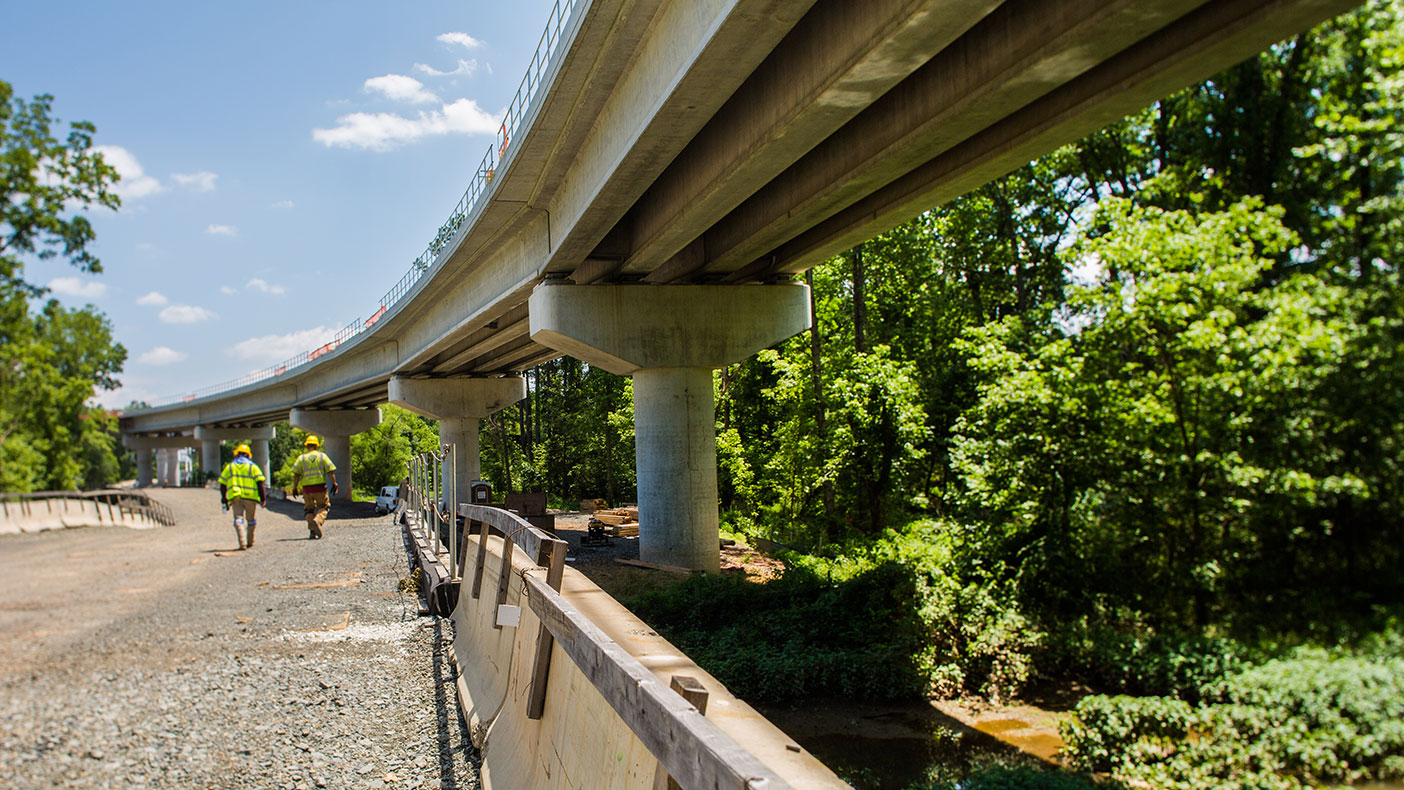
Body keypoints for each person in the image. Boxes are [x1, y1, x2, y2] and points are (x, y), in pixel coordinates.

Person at [218, 443, 267, 549]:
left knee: (238, 519)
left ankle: (242, 542)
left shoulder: (230, 467)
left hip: (236, 497)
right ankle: (250, 541)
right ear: (248, 455)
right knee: (251, 520)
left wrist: (224, 498)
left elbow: (222, 484)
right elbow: (260, 483)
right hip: (251, 497)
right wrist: (263, 498)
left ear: (237, 455)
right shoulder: (253, 467)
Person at [291, 435, 338, 539]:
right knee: (324, 507)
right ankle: (318, 521)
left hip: (307, 489)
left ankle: (312, 532)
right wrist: (334, 483)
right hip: (320, 488)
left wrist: (294, 488)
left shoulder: (301, 458)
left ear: (307, 446)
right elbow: (330, 471)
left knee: (309, 510)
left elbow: (296, 475)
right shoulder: (322, 456)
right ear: (317, 445)